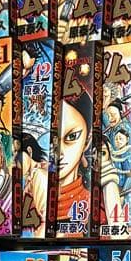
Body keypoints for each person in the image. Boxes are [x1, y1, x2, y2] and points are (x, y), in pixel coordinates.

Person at [56, 89, 93, 225]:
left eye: (72, 137)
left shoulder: (94, 204)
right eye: (52, 139)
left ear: (87, 141)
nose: (59, 153)